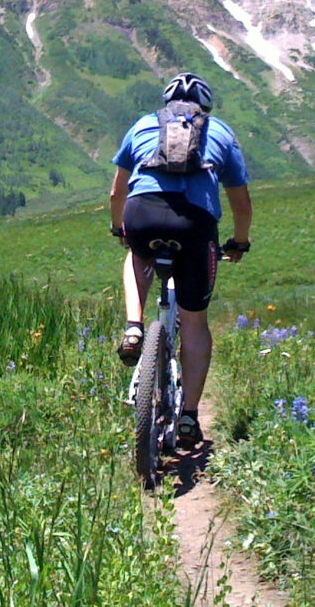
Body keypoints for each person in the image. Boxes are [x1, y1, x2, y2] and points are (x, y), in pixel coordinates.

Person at [109, 73, 252, 448]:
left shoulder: (143, 124)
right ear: (205, 106)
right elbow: (241, 201)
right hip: (195, 226)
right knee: (194, 322)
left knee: (134, 252)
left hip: (143, 213)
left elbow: (116, 192)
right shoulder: (220, 131)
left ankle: (135, 326)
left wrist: (119, 228)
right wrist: (239, 241)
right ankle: (189, 416)